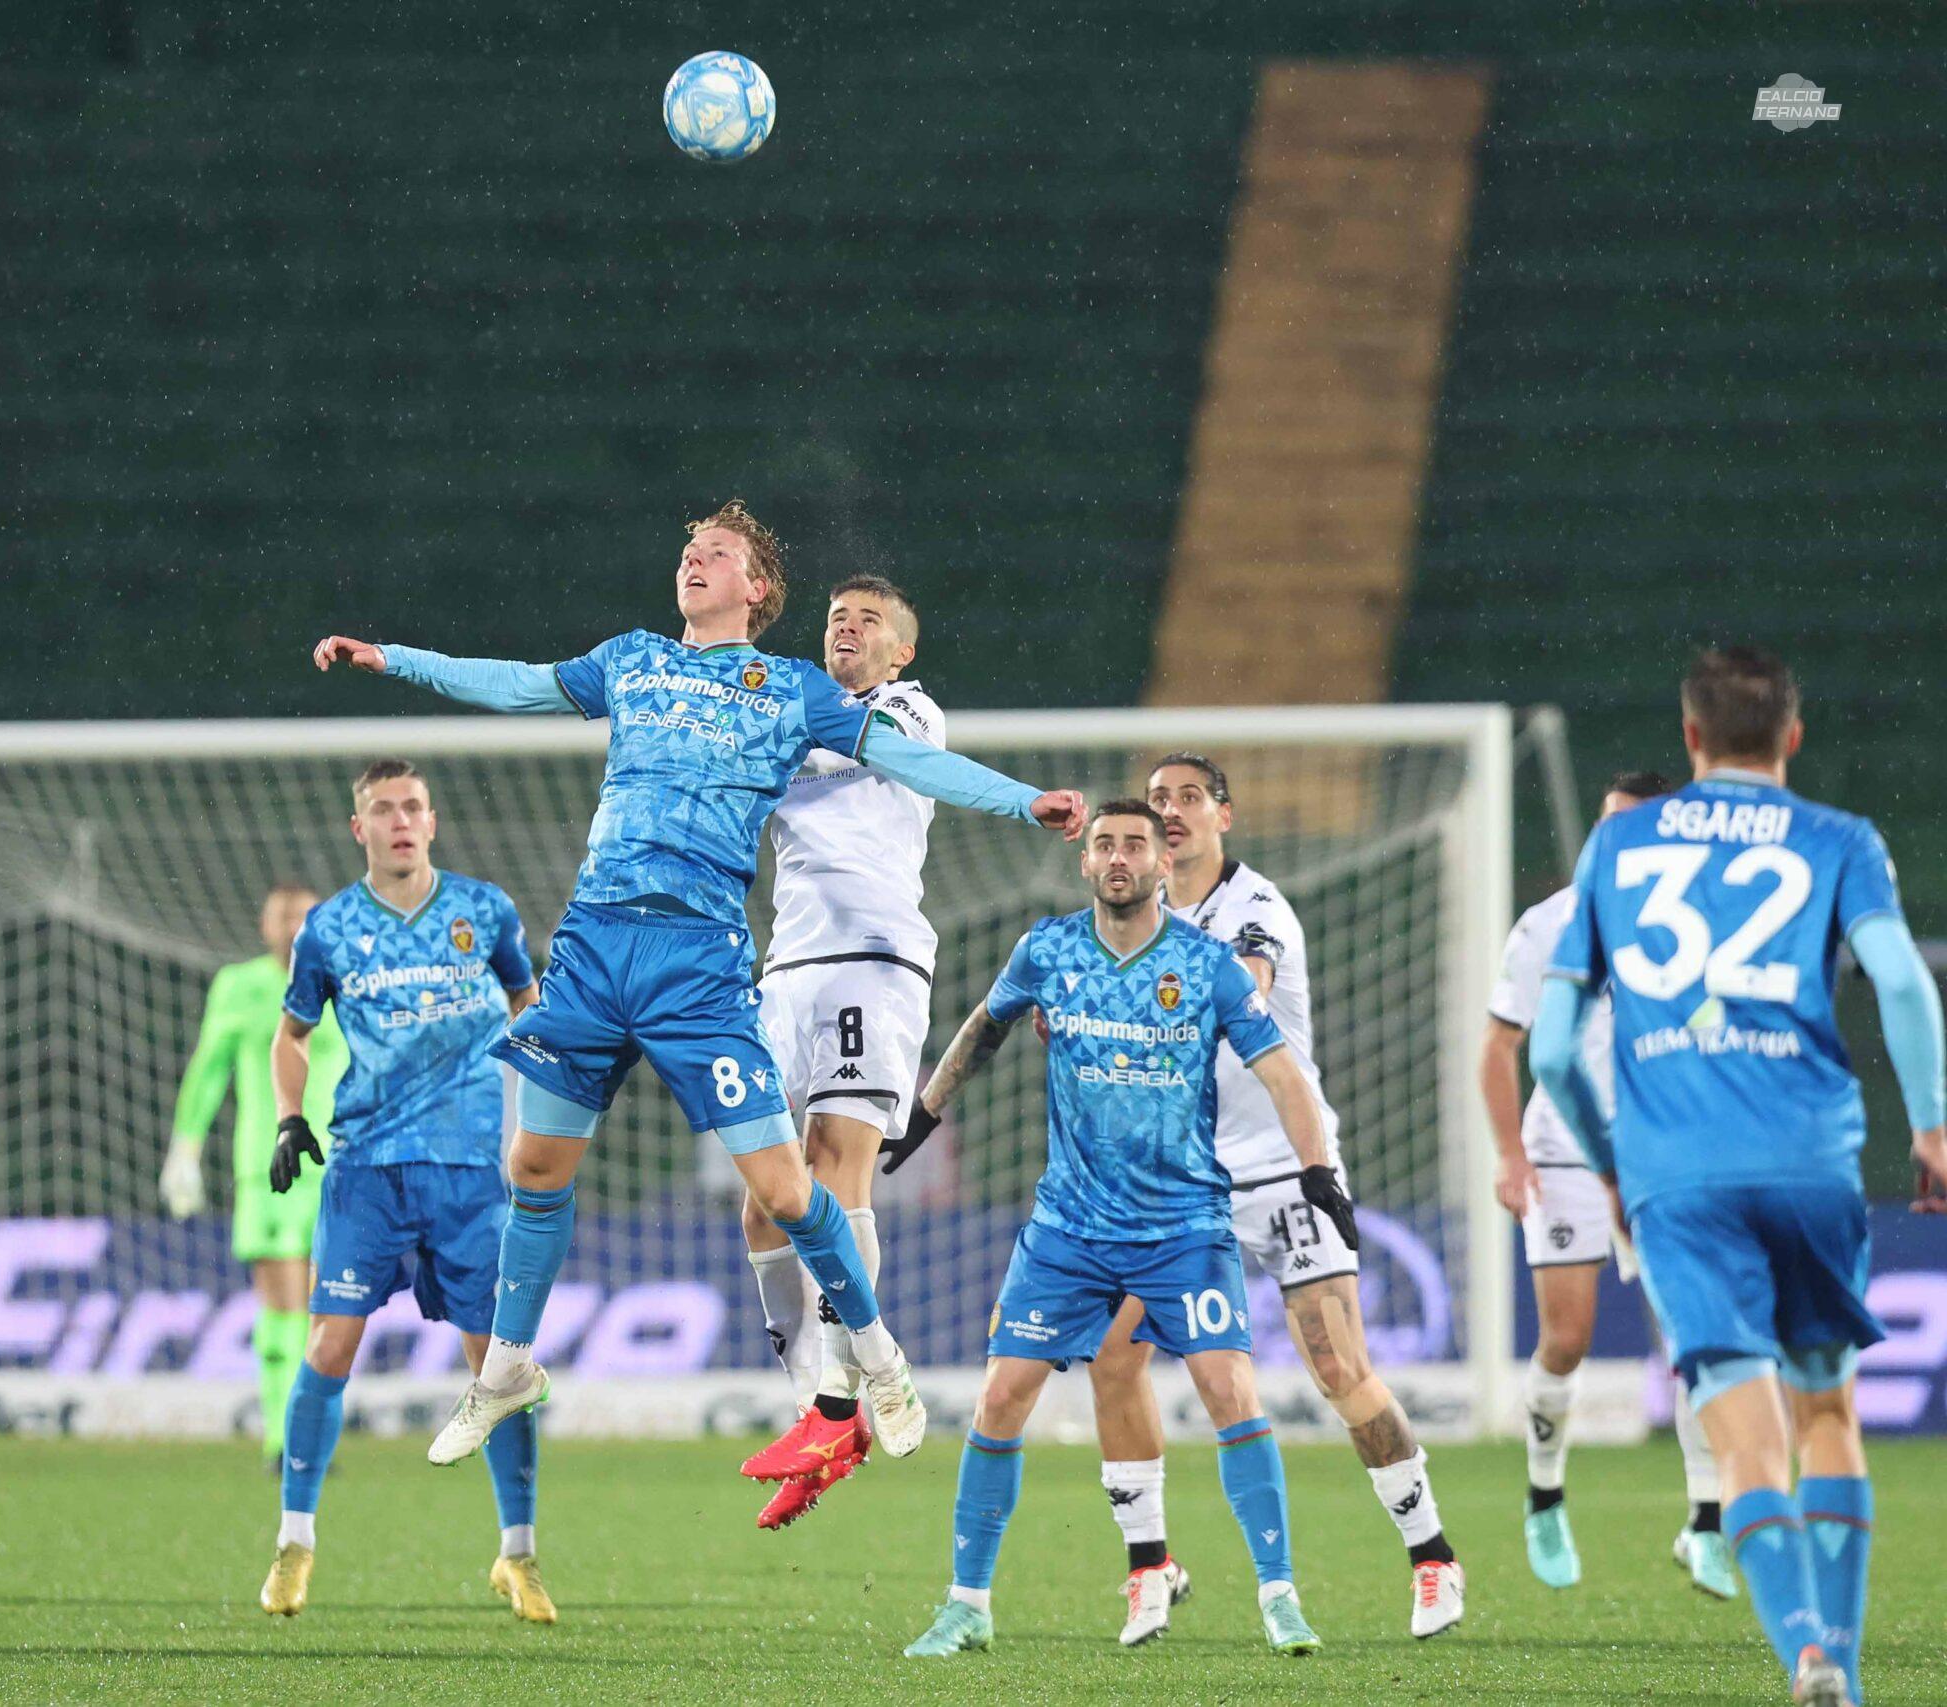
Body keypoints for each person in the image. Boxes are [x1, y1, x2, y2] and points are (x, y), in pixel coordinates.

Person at [311, 500, 1086, 1475]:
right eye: (686, 550)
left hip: (697, 957)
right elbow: (516, 686)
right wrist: (395, 659)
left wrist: (1027, 802)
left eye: (714, 554)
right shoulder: (632, 657)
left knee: (781, 1184)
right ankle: (506, 1367)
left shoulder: (787, 689)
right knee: (534, 1167)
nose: (693, 562)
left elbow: (905, 757)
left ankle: (877, 1361)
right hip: (594, 942)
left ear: (756, 588)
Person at [1535, 646, 1946, 1707]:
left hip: (1676, 1173)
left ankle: (1804, 1651)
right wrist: (1933, 1126)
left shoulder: (1619, 845)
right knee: (1827, 1417)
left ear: (1688, 738)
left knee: (1744, 1435)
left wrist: (1611, 1159)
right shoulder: (1840, 839)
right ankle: (1841, 1669)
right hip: (1810, 1159)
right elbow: (1900, 979)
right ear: (1792, 739)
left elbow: (1546, 1049)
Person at [893, 802, 1350, 1658]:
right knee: (999, 1397)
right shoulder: (1048, 949)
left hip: (1184, 1225)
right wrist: (924, 1115)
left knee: (1232, 1393)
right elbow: (983, 1027)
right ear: (1084, 862)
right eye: (1103, 843)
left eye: (1134, 844)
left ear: (1161, 868)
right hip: (1068, 1225)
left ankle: (1281, 1597)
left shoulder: (1208, 965)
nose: (1117, 856)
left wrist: (1315, 1166)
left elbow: (1281, 1067)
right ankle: (966, 1604)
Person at [1078, 755, 1463, 1641]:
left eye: (1189, 798)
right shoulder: (1138, 916)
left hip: (1288, 1165)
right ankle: (1151, 1563)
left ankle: (1433, 1554)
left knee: (1339, 1368)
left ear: (1224, 816)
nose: (1171, 811)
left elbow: (1239, 992)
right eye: (1159, 797)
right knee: (1112, 1357)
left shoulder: (1256, 910)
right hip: (1181, 1182)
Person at [256, 761, 551, 1623]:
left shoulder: (485, 910)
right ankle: (295, 1541)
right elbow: (293, 1035)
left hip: (467, 1172)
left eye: (412, 806)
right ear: (360, 829)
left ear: (432, 820)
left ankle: (519, 1554)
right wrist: (287, 1115)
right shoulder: (330, 928)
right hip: (366, 1170)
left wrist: (540, 1119)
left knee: (495, 1369)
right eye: (381, 809)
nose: (398, 820)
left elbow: (527, 1003)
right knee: (328, 1350)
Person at [1481, 769, 1735, 1596]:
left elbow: (1713, 1028)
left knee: (1693, 1334)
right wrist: (1510, 1154)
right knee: (1568, 1337)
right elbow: (1499, 1048)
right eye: (1608, 825)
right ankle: (1544, 1495)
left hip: (1665, 1156)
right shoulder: (1548, 924)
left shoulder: (1697, 929)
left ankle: (1705, 1524)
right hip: (1564, 1152)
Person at [741, 574, 947, 1529]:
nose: (848, 630)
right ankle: (823, 1415)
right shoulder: (787, 713)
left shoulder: (908, 711)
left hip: (873, 956)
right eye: (836, 620)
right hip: (788, 967)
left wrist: (757, 716)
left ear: (901, 650)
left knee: (837, 1173)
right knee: (763, 1206)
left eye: (869, 622)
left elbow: (814, 745)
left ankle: (843, 1399)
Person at [158, 883, 349, 1474]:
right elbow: (209, 1068)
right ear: (265, 926)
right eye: (283, 917)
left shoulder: (350, 982)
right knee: (283, 1306)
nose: (294, 927)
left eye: (305, 917)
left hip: (342, 1166)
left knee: (329, 1309)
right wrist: (185, 1148)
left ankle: (313, 1438)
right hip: (268, 1167)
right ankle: (281, 1441)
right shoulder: (238, 987)